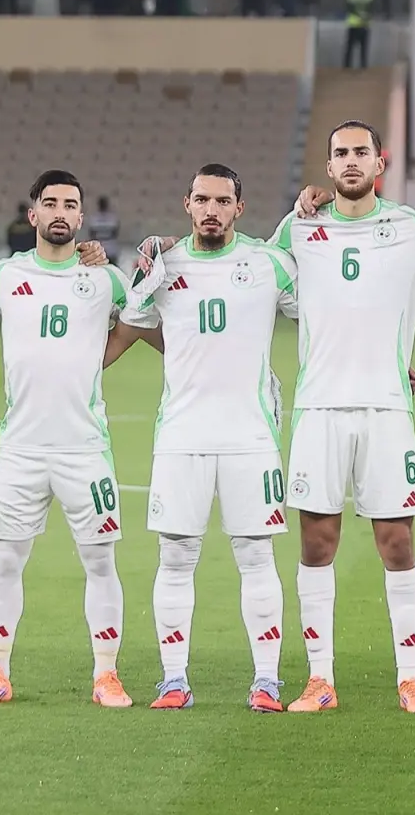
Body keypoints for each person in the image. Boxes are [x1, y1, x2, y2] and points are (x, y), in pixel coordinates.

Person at [273, 121, 415, 714]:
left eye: (361, 152)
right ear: (328, 167)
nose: (351, 161)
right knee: (316, 542)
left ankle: (411, 678)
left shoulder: (411, 226)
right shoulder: (298, 228)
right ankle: (319, 679)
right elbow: (250, 275)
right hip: (319, 407)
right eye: (340, 153)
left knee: (397, 542)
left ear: (381, 161)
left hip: (387, 408)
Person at [113, 165, 298, 712]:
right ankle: (174, 680)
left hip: (251, 436)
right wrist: (146, 267)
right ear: (187, 204)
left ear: (239, 208)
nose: (211, 209)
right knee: (175, 558)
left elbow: (321, 319)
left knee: (256, 556)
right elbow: (132, 318)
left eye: (222, 200)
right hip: (182, 436)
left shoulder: (269, 264)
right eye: (201, 199)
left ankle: (267, 681)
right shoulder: (163, 265)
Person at [0, 170, 134, 710]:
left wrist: (98, 359)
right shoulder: (6, 276)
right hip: (21, 449)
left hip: (85, 448)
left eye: (70, 204)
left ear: (81, 216)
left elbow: (142, 321)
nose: (61, 212)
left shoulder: (106, 279)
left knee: (100, 562)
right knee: (6, 561)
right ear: (33, 214)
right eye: (50, 203)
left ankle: (106, 675)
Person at [344, 0, 373, 67]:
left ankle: (347, 65)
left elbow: (349, 8)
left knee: (349, 48)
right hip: (364, 23)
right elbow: (371, 8)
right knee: (364, 48)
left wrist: (357, 14)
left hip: (353, 23)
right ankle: (363, 65)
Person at [86, 195, 121, 262]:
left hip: (100, 249)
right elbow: (115, 233)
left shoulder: (94, 218)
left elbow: (92, 234)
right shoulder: (112, 218)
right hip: (110, 248)